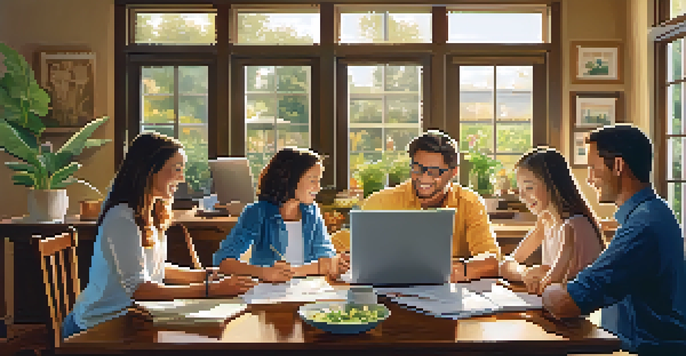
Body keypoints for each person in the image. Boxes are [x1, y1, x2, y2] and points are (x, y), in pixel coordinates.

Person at [62, 132, 257, 340]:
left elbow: (154, 268)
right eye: (177, 168)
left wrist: (205, 275)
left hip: (132, 318)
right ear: (149, 170)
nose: (182, 177)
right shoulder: (122, 218)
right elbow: (139, 289)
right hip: (98, 326)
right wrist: (209, 289)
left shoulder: (150, 212)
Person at [542, 125, 686, 355]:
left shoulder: (642, 226)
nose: (589, 179)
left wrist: (547, 285)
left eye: (593, 168)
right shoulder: (651, 213)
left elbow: (565, 304)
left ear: (618, 166)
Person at [331, 130, 501, 283]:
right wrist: (338, 259)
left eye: (434, 172)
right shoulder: (380, 201)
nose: (423, 178)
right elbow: (336, 245)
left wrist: (460, 270)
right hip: (388, 295)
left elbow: (492, 259)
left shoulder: (470, 203)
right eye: (417, 169)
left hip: (448, 294)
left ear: (453, 172)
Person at [213, 147, 350, 282]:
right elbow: (223, 262)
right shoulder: (257, 212)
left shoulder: (311, 212)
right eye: (313, 180)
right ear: (290, 180)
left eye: (319, 181)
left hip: (308, 291)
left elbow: (326, 259)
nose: (318, 187)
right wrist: (263, 272)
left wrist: (333, 264)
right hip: (268, 294)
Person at [499, 147, 604, 295]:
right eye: (520, 189)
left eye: (529, 187)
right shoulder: (546, 222)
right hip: (557, 307)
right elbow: (505, 265)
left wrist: (541, 276)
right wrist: (525, 273)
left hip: (580, 313)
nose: (522, 196)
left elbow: (553, 285)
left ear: (553, 185)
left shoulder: (574, 225)